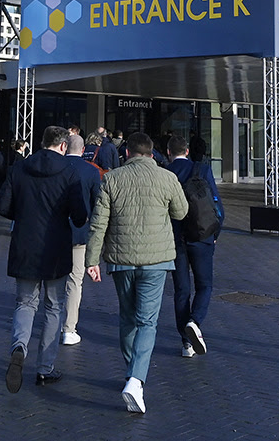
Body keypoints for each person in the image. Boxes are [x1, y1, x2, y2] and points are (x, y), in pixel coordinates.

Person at [85, 131, 188, 415]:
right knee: (147, 322)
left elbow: (98, 223)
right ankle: (135, 379)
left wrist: (92, 260)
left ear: (127, 153)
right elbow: (181, 212)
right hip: (156, 260)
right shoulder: (167, 178)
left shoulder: (112, 179)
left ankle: (132, 373)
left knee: (128, 317)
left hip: (122, 259)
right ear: (152, 153)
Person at [0, 126, 89, 392]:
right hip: (56, 247)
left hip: (25, 245)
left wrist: (24, 215)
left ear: (41, 142)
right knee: (54, 307)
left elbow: (2, 206)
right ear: (63, 146)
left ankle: (19, 347)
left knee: (25, 303)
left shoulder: (21, 167)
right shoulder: (69, 172)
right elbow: (79, 215)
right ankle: (45, 368)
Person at [167, 135, 219, 358]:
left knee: (181, 290)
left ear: (169, 152)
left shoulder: (166, 172)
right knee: (204, 285)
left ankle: (186, 343)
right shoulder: (202, 170)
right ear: (186, 151)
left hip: (175, 239)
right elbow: (216, 204)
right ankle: (195, 321)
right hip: (201, 236)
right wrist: (214, 233)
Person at [61, 132, 103, 346]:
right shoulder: (91, 171)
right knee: (75, 280)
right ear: (83, 150)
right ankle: (68, 328)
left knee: (52, 280)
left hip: (53, 232)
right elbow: (97, 205)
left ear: (64, 147)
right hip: (79, 232)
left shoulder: (55, 167)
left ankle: (52, 320)